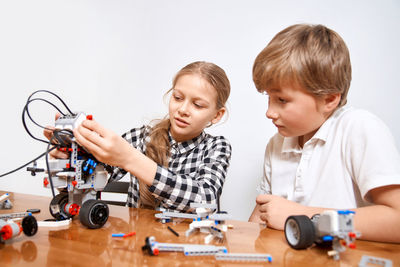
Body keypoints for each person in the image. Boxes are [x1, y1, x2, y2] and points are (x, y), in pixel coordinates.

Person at [248, 24, 400, 242]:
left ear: (329, 99)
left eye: (282, 100)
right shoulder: (277, 143)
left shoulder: (360, 128)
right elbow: (262, 217)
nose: (269, 112)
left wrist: (306, 217)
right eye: (268, 98)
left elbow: (397, 220)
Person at [47, 61, 232, 211]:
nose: (183, 110)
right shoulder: (140, 137)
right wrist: (73, 157)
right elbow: (91, 180)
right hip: (137, 248)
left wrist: (130, 159)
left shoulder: (216, 147)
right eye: (177, 97)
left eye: (198, 105)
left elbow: (206, 199)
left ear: (217, 115)